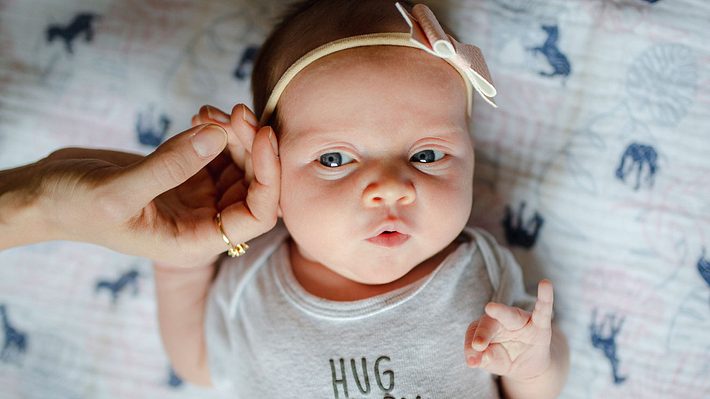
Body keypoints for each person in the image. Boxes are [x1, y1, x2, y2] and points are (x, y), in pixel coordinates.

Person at [156, 1, 570, 398]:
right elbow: (197, 363)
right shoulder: (251, 281)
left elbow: (530, 388)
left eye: (426, 156)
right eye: (334, 159)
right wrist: (179, 262)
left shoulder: (480, 271)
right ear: (269, 173)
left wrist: (536, 364)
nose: (391, 187)